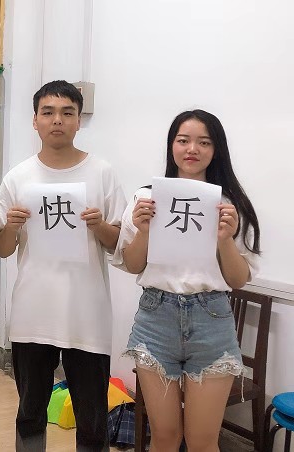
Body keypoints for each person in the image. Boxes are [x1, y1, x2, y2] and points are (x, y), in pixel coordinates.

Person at [114, 109, 261, 451]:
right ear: (172, 146)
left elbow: (237, 279)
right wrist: (144, 230)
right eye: (183, 140)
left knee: (202, 441)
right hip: (156, 318)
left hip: (212, 320)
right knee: (164, 436)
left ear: (216, 149)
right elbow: (133, 264)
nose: (192, 149)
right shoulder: (145, 198)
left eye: (203, 142)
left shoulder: (230, 205)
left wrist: (225, 239)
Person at [0, 80, 126, 452]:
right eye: (48, 112)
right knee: (30, 413)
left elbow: (119, 243)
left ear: (78, 120)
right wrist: (11, 226)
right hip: (32, 315)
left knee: (92, 418)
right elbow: (2, 249)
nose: (57, 120)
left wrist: (99, 226)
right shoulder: (18, 177)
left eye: (67, 113)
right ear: (34, 120)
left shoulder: (102, 172)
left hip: (87, 316)